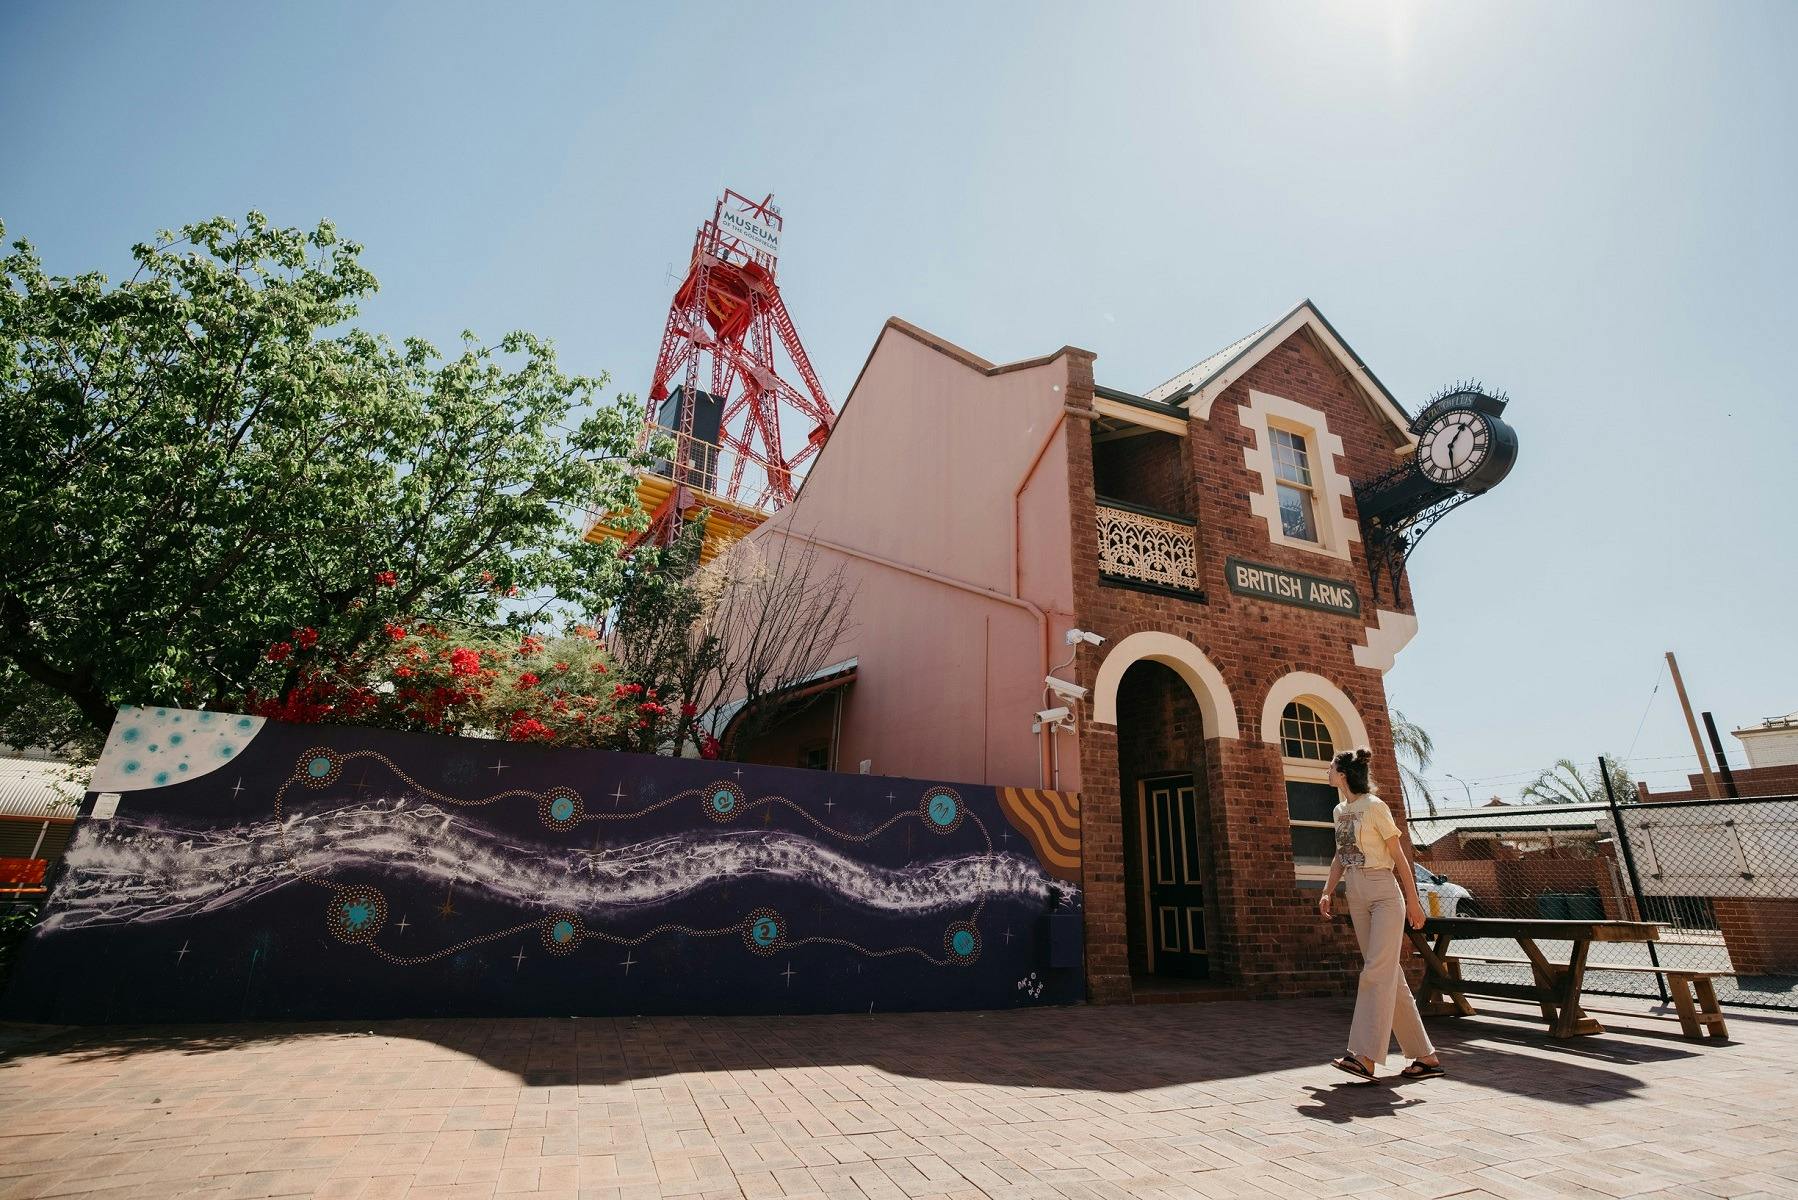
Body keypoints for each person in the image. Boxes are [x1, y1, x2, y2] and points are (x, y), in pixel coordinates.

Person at [1317, 746, 1445, 1082]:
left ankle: (1364, 1056)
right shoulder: (1339, 810)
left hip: (1384, 892)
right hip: (1356, 892)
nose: (1327, 772)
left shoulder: (1375, 806)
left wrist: (1414, 902)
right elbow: (1341, 854)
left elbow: (1399, 856)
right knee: (1389, 975)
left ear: (1342, 774)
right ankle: (1426, 1057)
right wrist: (1328, 890)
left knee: (1375, 971)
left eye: (1330, 767)